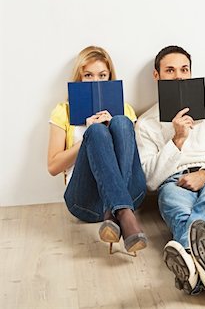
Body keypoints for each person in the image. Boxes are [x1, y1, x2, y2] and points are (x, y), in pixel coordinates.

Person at [135, 45, 205, 303]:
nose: (179, 77)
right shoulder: (147, 123)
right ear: (157, 76)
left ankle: (186, 256)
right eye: (170, 71)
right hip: (174, 181)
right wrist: (177, 140)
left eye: (184, 70)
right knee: (178, 209)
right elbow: (150, 180)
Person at [47, 46, 148, 255]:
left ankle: (115, 212)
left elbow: (135, 160)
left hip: (130, 189)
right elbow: (53, 167)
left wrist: (114, 128)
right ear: (79, 78)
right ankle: (125, 214)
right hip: (85, 201)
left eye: (102, 75)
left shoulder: (125, 109)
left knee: (120, 122)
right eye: (88, 75)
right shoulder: (63, 111)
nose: (96, 81)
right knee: (95, 132)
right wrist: (88, 135)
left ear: (110, 77)